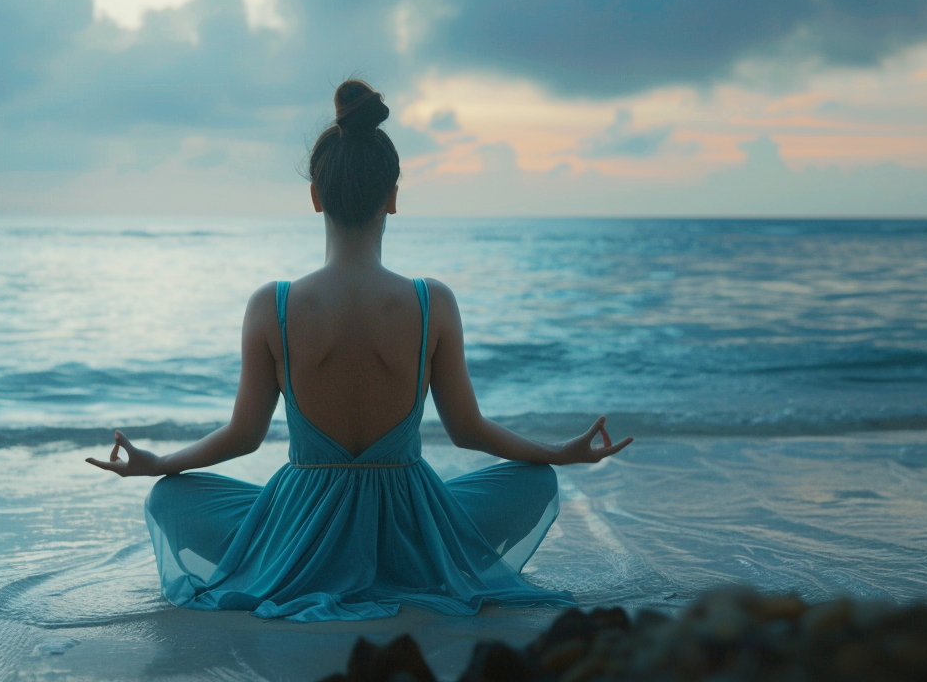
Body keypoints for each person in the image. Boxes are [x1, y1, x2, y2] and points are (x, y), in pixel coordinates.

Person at [86, 79, 633, 621]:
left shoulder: (272, 306)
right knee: (536, 479)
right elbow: (468, 431)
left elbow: (244, 437)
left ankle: (308, 563)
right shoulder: (431, 302)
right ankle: (406, 567)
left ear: (315, 195)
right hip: (412, 528)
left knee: (167, 498)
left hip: (300, 532)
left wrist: (155, 464)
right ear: (392, 198)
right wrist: (560, 451)